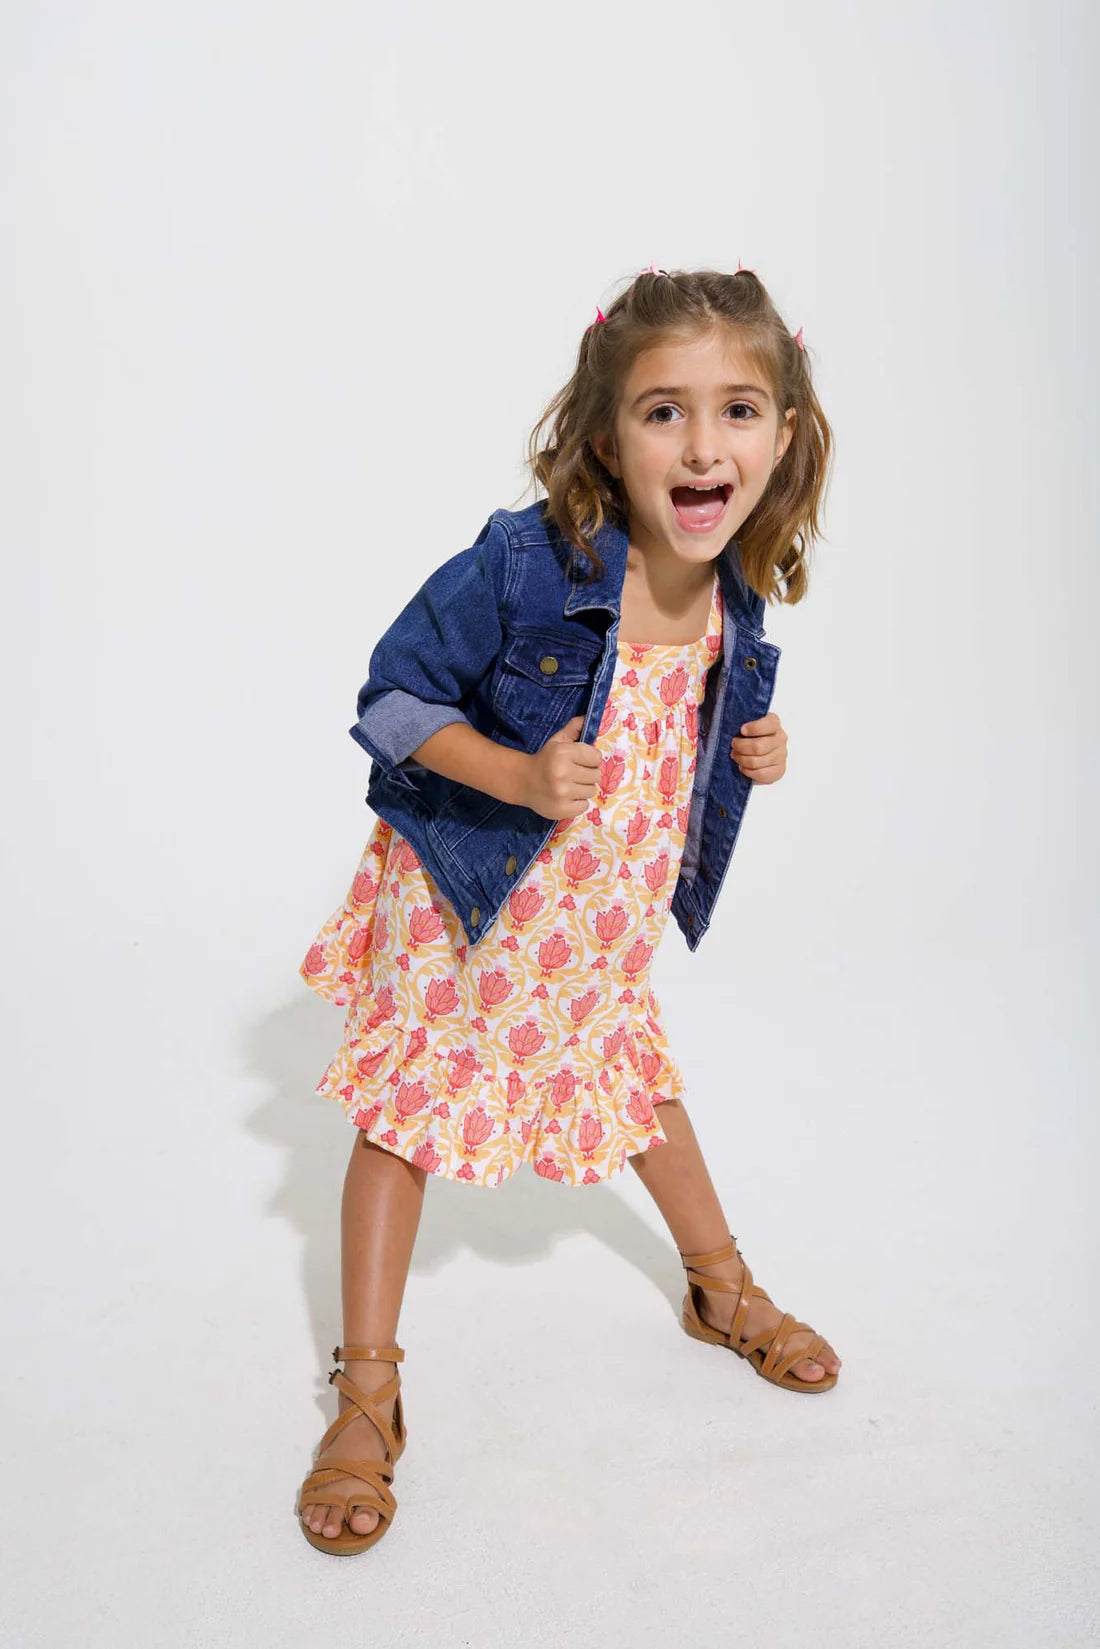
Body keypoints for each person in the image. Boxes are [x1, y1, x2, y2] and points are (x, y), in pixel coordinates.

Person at [294, 264, 843, 1556]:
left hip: (597, 926)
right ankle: (365, 1392)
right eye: (663, 412)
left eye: (737, 410)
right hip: (470, 908)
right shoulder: (521, 564)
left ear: (783, 434)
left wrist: (752, 746)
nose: (702, 446)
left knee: (638, 1086)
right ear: (605, 436)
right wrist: (516, 776)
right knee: (402, 1122)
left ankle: (721, 1290)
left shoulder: (736, 579)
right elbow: (390, 699)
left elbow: (677, 719)